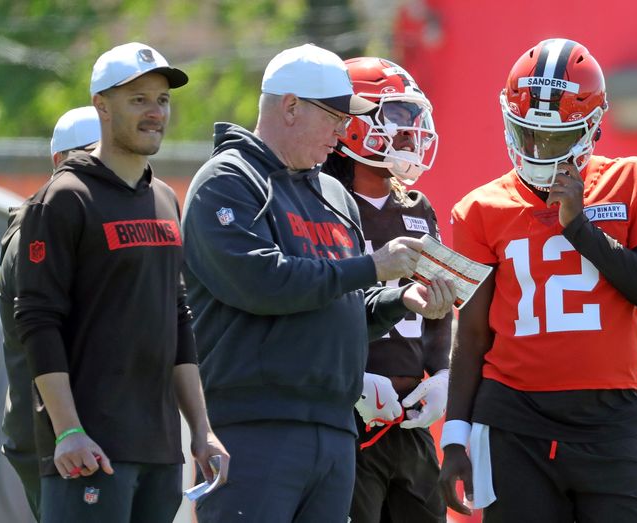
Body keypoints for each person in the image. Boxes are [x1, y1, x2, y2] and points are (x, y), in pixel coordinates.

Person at [181, 43, 455, 523]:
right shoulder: (227, 180)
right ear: (290, 106)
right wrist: (373, 268)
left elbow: (340, 300)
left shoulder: (332, 193)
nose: (343, 130)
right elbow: (263, 282)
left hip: (334, 428)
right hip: (255, 425)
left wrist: (398, 299)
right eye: (334, 116)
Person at [438, 38, 637, 523]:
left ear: (592, 126)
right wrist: (455, 437)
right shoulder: (477, 210)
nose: (536, 149)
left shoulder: (636, 180)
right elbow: (471, 335)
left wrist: (578, 227)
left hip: (611, 417)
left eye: (554, 138)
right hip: (514, 421)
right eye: (526, 132)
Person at [13, 42, 229, 523]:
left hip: (160, 452)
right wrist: (68, 430)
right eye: (139, 100)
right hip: (86, 451)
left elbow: (178, 317)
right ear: (102, 107)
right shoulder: (64, 199)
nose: (155, 113)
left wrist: (201, 429)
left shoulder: (164, 198)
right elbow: (37, 320)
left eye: (162, 100)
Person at [322, 56, 449, 523]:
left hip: (409, 417)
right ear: (351, 123)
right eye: (395, 117)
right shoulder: (322, 201)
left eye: (414, 119)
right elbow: (319, 298)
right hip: (348, 417)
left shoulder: (416, 206)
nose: (410, 132)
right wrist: (348, 379)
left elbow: (439, 301)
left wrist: (441, 373)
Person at [0, 106, 101, 522]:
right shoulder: (38, 232)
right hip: (53, 438)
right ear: (59, 163)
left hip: (71, 435)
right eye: (88, 159)